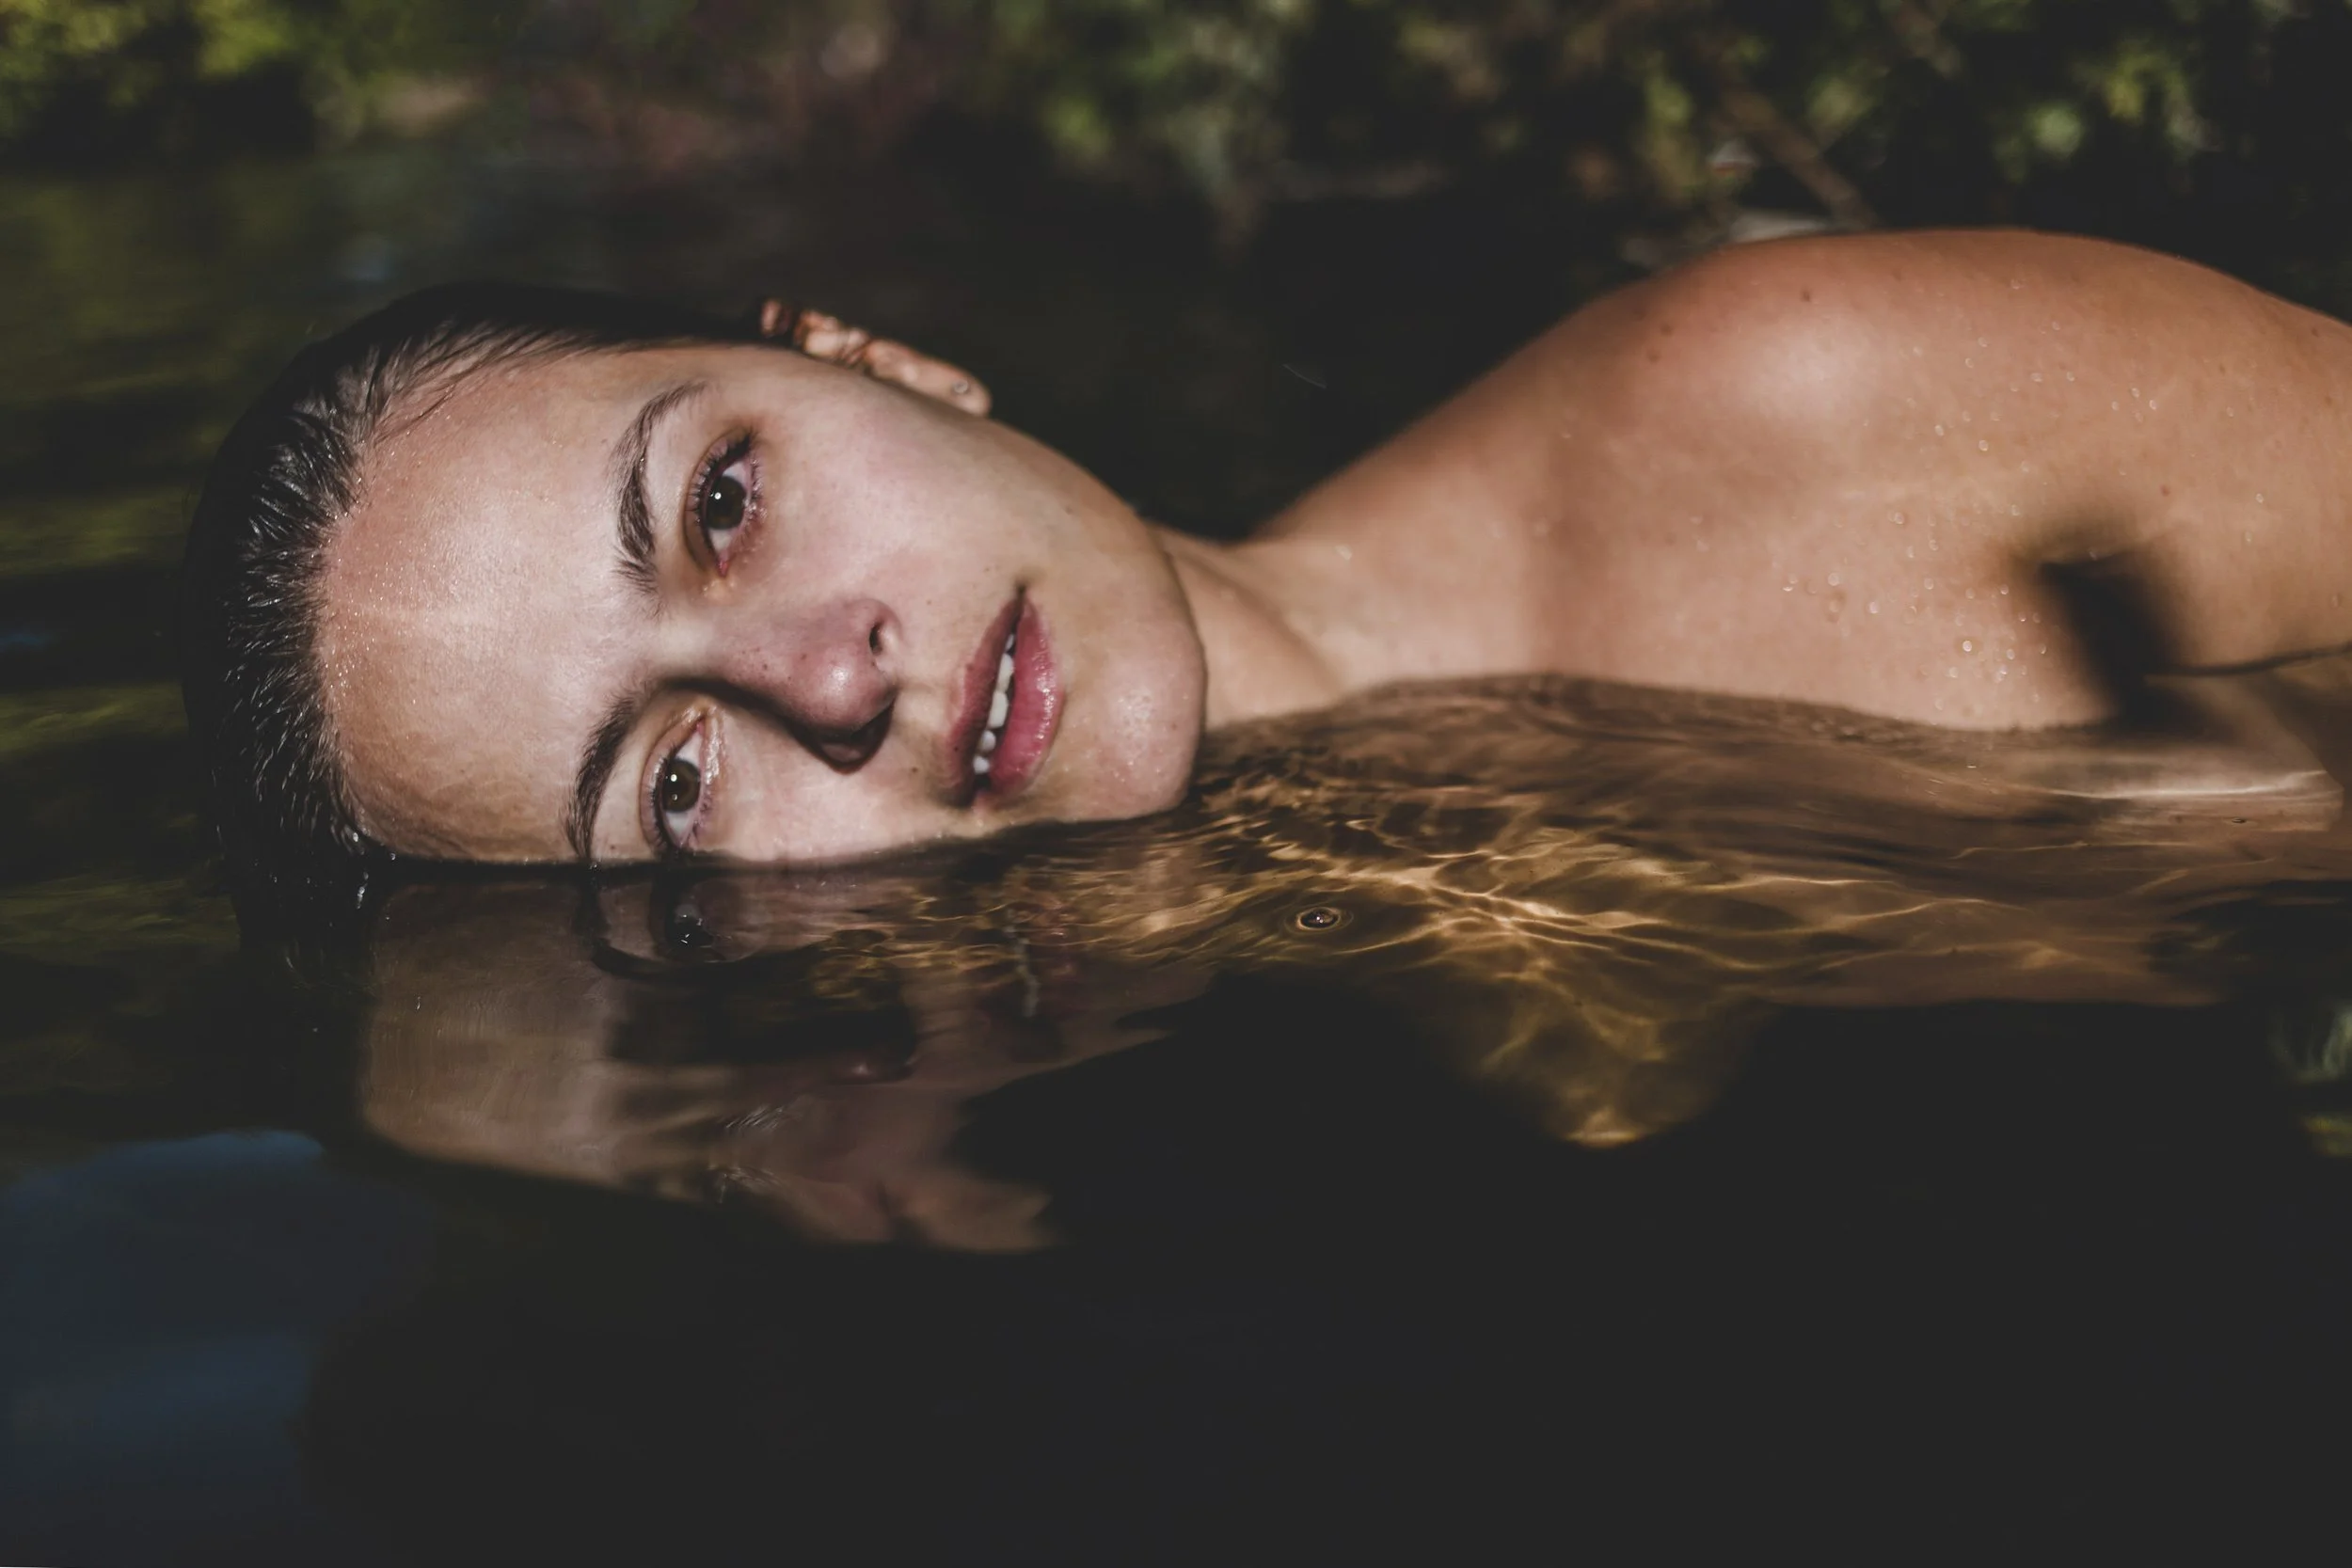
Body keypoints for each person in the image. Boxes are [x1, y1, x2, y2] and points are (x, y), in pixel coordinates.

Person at [181, 228, 2352, 882]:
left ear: (876, 356)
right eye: (667, 783)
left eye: (719, 501)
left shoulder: (1798, 396)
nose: (826, 680)